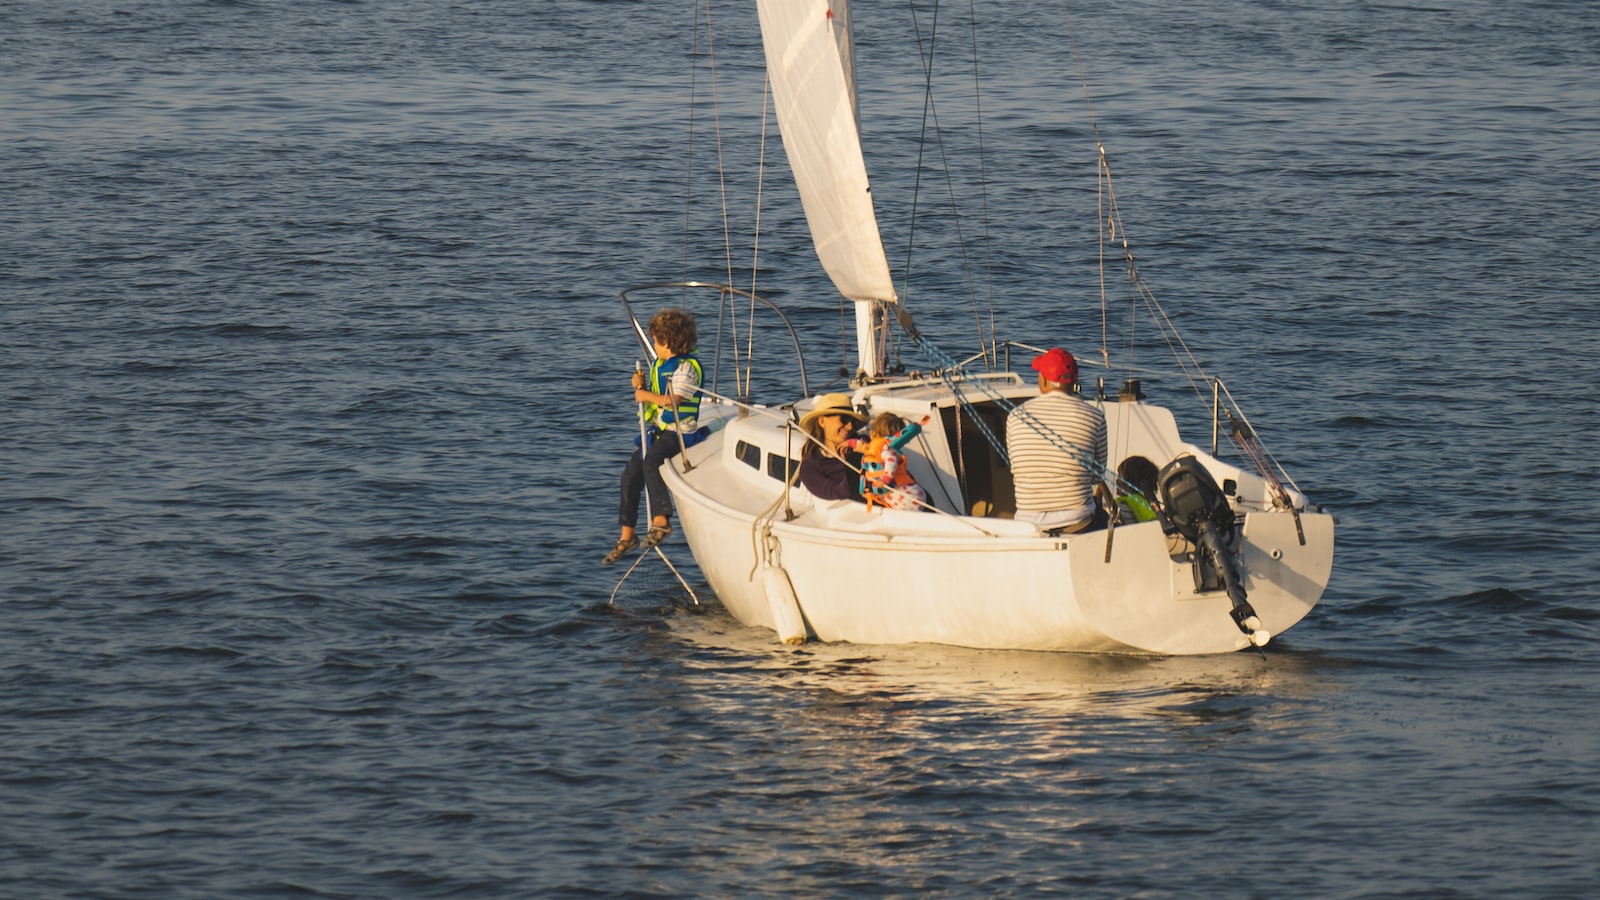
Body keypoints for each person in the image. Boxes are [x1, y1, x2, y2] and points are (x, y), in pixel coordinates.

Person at [604, 308, 703, 565]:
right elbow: (655, 402)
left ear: (667, 342)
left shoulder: (686, 369)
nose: (655, 346)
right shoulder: (661, 365)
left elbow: (674, 401)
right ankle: (627, 533)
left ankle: (662, 518)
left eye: (657, 341)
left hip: (680, 432)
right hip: (660, 431)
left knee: (652, 462)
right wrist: (642, 386)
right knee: (630, 474)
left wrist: (644, 396)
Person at [1005, 347, 1108, 534]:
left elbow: (1016, 467)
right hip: (1078, 521)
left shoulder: (1015, 415)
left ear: (1043, 380)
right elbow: (1097, 475)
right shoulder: (1095, 416)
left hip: (1028, 522)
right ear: (1074, 381)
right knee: (1111, 520)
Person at [844, 412, 930, 511]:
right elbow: (860, 444)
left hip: (908, 498)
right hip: (911, 494)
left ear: (874, 433)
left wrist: (885, 480)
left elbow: (891, 461)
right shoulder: (878, 448)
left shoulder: (885, 450)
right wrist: (848, 443)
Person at [795, 393, 867, 503]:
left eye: (852, 421)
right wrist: (857, 458)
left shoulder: (864, 442)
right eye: (844, 419)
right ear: (822, 422)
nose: (850, 426)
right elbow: (835, 492)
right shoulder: (810, 468)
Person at [1114, 455, 1161, 524]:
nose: (1116, 480)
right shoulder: (1152, 504)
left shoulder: (1125, 504)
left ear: (1130, 481)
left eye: (1120, 476)